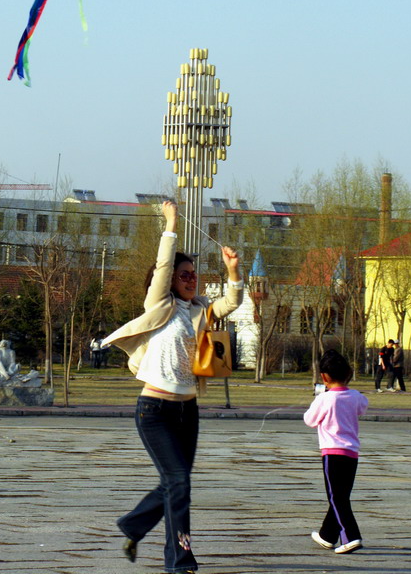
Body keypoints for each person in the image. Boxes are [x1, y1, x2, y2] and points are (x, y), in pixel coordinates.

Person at [102, 201, 243, 574]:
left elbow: (233, 302)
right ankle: (181, 562)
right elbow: (163, 266)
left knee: (176, 484)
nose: (190, 279)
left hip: (188, 411)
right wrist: (172, 224)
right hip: (155, 411)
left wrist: (233, 271)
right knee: (179, 483)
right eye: (184, 274)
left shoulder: (200, 309)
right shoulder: (160, 304)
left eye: (194, 274)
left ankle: (133, 525)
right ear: (170, 279)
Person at [304, 349, 368, 555]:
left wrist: (319, 398)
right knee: (341, 495)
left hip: (332, 453)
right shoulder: (356, 396)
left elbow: (310, 420)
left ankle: (351, 536)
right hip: (351, 453)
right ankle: (327, 534)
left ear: (324, 377)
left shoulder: (325, 399)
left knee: (336, 497)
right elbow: (363, 407)